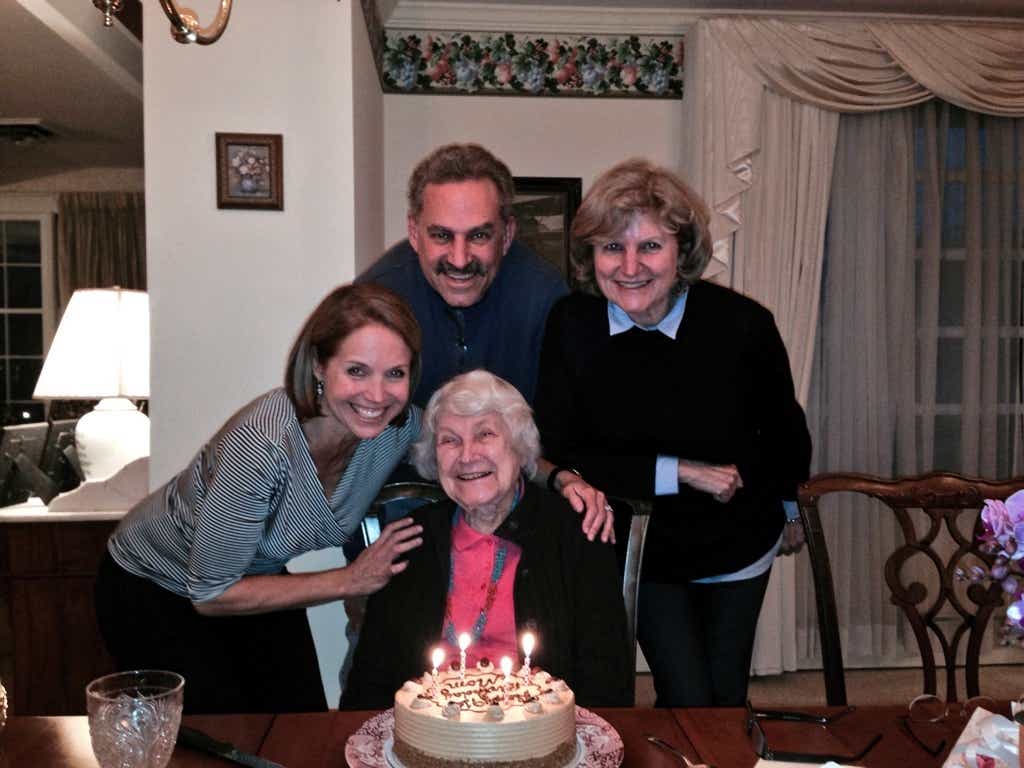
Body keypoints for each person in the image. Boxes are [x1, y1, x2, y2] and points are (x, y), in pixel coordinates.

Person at [534, 159, 812, 708]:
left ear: (682, 251)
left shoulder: (742, 324)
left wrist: (788, 508)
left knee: (726, 696)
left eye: (650, 247)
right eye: (612, 247)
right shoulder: (572, 325)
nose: (630, 266)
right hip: (641, 543)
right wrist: (680, 471)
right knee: (685, 693)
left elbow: (784, 429)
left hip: (737, 538)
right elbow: (564, 450)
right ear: (591, 255)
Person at [95, 283, 427, 714]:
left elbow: (470, 440)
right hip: (155, 586)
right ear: (319, 367)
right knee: (217, 741)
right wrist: (351, 580)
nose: (378, 395)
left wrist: (542, 474)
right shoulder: (261, 446)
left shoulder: (396, 427)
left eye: (395, 374)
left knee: (298, 723)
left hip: (253, 575)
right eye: (358, 371)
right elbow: (210, 593)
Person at [340, 370, 632, 709]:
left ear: (520, 449)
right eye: (449, 440)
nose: (467, 456)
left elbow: (607, 681)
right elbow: (370, 681)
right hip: (431, 742)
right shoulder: (410, 539)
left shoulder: (576, 534)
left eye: (485, 434)